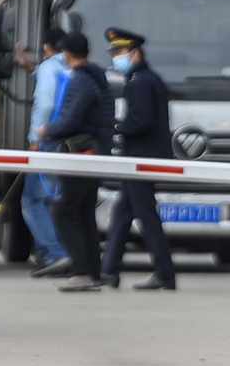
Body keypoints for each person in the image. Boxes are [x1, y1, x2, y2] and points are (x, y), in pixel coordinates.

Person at [100, 27, 179, 291]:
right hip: (142, 157)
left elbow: (140, 120)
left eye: (120, 52)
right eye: (114, 53)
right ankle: (109, 271)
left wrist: (115, 127)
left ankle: (165, 273)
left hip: (142, 158)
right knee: (122, 214)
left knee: (146, 216)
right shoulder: (144, 78)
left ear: (135, 53)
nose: (116, 57)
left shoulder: (140, 82)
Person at [42, 30, 115, 292]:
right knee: (83, 213)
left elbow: (71, 119)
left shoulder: (80, 81)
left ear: (66, 54)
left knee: (62, 210)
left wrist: (47, 130)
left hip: (81, 154)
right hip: (97, 153)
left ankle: (81, 272)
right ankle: (93, 272)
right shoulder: (98, 78)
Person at [21, 27, 71, 273]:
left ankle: (53, 254)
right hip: (70, 142)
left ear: (45, 47)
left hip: (48, 141)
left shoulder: (49, 68)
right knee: (59, 198)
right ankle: (68, 251)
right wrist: (31, 69)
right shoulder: (70, 66)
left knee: (34, 199)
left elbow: (47, 101)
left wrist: (35, 137)